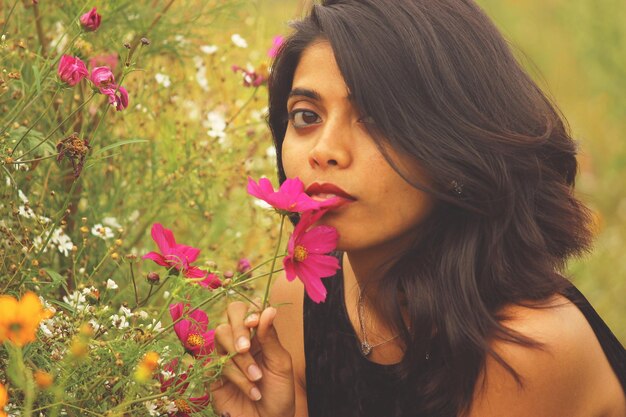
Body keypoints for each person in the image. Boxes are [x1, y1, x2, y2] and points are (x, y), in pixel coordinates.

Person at [209, 1, 626, 416]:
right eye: (306, 116)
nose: (324, 150)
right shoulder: (296, 301)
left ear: (454, 143)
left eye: (376, 119)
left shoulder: (521, 350)